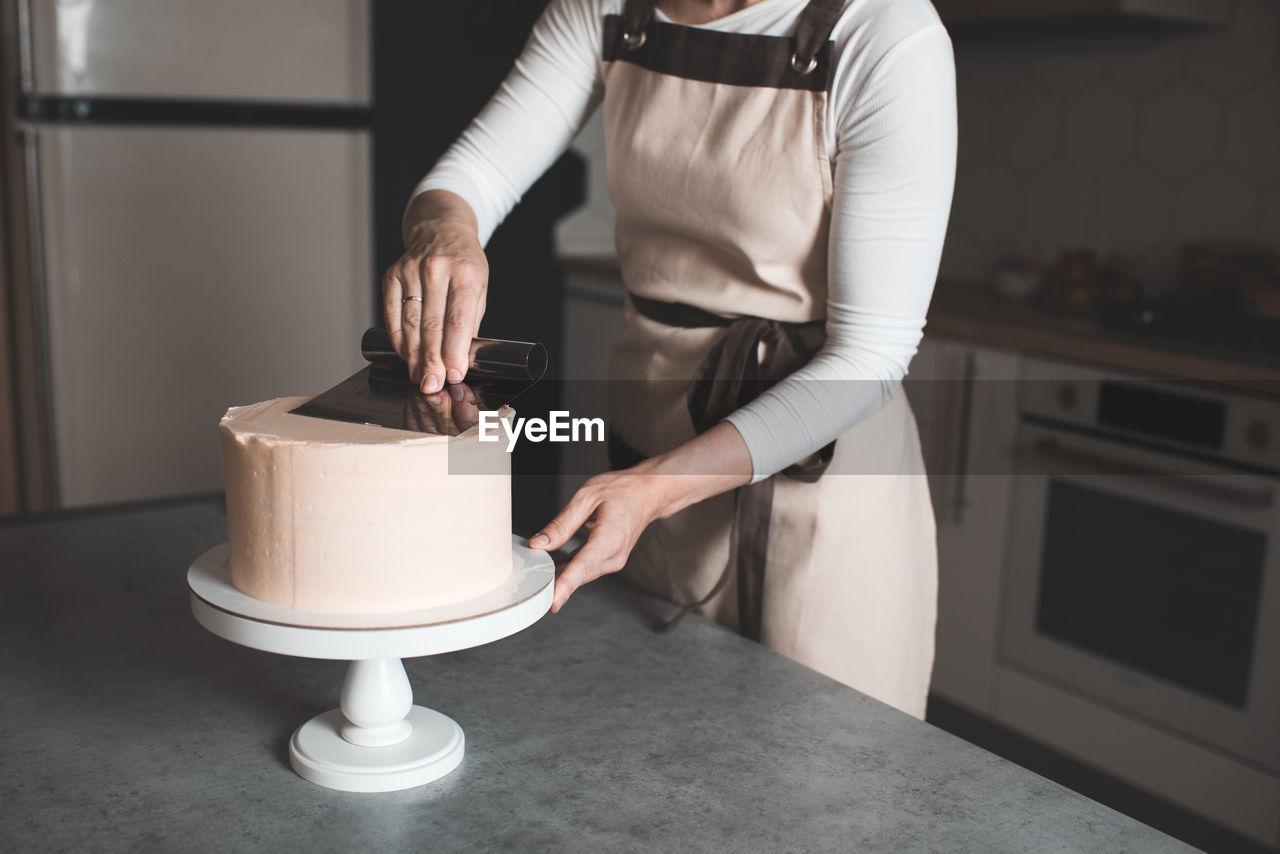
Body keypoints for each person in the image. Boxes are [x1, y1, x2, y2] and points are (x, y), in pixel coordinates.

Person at [383, 0, 956, 718]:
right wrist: (444, 233)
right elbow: (474, 175)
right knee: (657, 756)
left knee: (821, 780)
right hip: (649, 444)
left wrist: (655, 489)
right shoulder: (604, 9)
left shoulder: (887, 34)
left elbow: (870, 354)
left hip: (819, 480)